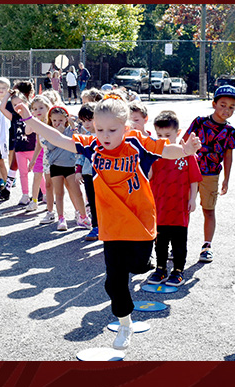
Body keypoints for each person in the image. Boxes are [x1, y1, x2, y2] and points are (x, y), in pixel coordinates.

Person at [13, 92, 201, 350]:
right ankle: (125, 324)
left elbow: (166, 150)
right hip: (112, 227)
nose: (105, 135)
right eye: (100, 129)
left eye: (112, 130)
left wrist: (186, 150)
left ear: (125, 128)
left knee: (137, 266)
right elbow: (57, 138)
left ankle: (145, 265)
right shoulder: (92, 145)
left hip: (140, 223)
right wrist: (30, 120)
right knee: (113, 282)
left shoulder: (136, 142)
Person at [147, 110, 202, 287]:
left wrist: (193, 199)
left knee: (179, 241)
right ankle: (160, 269)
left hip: (179, 207)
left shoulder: (187, 154)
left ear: (178, 134)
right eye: (159, 135)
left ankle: (178, 271)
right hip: (160, 206)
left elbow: (194, 179)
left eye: (167, 135)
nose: (163, 139)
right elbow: (148, 176)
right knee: (160, 241)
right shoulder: (155, 154)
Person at [183, 85, 235, 263]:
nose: (226, 110)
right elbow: (184, 142)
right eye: (222, 105)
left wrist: (226, 180)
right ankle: (178, 244)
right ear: (214, 104)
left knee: (209, 210)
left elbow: (228, 156)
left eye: (231, 107)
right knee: (183, 209)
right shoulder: (199, 122)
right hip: (189, 171)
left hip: (212, 174)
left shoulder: (230, 131)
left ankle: (207, 246)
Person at [40, 105, 90, 231]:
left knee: (77, 192)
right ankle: (61, 218)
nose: (57, 123)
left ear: (66, 119)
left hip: (70, 165)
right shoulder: (50, 131)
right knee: (59, 193)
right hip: (56, 166)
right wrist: (59, 134)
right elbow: (50, 146)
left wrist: (72, 126)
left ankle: (83, 216)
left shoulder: (70, 130)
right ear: (51, 120)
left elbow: (79, 139)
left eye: (61, 120)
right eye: (55, 120)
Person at [26, 95, 55, 223]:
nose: (38, 111)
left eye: (41, 108)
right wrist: (33, 160)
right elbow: (38, 143)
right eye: (35, 108)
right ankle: (36, 202)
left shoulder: (52, 121)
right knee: (39, 178)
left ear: (48, 107)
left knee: (57, 184)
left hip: (55, 155)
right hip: (42, 155)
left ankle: (77, 212)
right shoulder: (37, 124)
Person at [75, 102, 99, 241]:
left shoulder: (105, 134)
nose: (87, 124)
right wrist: (78, 170)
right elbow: (81, 155)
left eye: (89, 120)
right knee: (92, 200)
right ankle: (95, 226)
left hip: (103, 174)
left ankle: (107, 226)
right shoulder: (86, 137)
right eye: (83, 121)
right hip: (88, 173)